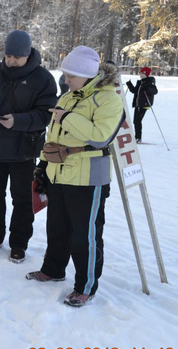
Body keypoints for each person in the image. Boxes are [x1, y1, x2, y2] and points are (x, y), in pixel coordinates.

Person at [26, 46, 124, 308]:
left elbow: (100, 135)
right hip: (59, 174)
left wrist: (68, 118)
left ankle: (86, 286)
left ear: (88, 74)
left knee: (86, 235)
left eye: (71, 76)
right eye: (66, 75)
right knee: (57, 228)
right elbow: (53, 137)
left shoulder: (109, 99)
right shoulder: (68, 97)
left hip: (89, 178)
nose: (66, 80)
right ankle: (53, 269)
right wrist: (43, 166)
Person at [0, 29, 58, 263]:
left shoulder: (44, 79)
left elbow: (45, 115)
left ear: (28, 54)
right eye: (8, 56)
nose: (11, 61)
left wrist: (17, 121)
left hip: (24, 151)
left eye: (17, 57)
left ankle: (19, 243)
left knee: (22, 200)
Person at [126, 67, 158, 143]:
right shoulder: (140, 82)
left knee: (138, 120)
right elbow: (134, 91)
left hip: (144, 104)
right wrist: (129, 84)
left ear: (145, 74)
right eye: (140, 73)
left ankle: (138, 138)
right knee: (135, 121)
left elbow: (154, 91)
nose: (140, 74)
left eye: (141, 73)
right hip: (138, 104)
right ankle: (137, 137)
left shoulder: (150, 81)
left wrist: (147, 88)